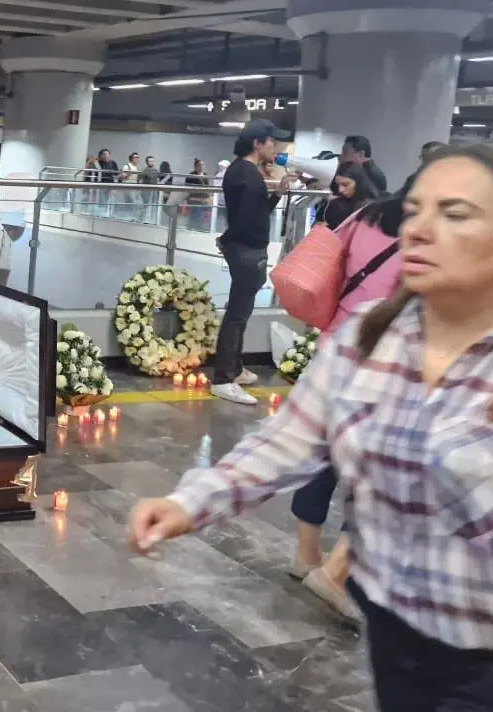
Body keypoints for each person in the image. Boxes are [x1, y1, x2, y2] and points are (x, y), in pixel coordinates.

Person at [129, 145, 493, 712]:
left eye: (455, 214)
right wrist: (191, 502)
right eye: (416, 209)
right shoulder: (369, 338)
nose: (419, 229)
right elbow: (290, 441)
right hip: (396, 636)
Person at [288, 174, 409, 620]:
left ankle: (306, 556)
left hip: (334, 347)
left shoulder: (366, 214)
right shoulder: (432, 240)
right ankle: (335, 572)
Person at [211, 119, 290, 405]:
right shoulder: (244, 174)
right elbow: (244, 219)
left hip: (247, 248)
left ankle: (234, 367)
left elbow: (257, 213)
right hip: (245, 249)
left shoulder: (247, 172)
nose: (276, 148)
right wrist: (227, 238)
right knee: (237, 314)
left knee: (241, 313)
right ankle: (223, 378)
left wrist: (278, 193)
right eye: (272, 142)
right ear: (257, 144)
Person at [321, 161, 380, 230]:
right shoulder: (337, 203)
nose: (340, 190)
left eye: (345, 185)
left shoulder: (371, 206)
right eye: (338, 185)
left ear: (358, 183)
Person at [185, 158, 212, 231]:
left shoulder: (205, 175)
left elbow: (207, 187)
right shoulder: (191, 175)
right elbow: (188, 188)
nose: (202, 167)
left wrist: (208, 197)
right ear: (196, 166)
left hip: (203, 198)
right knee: (197, 209)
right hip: (194, 198)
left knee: (201, 210)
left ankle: (195, 225)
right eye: (200, 165)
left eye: (203, 165)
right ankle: (193, 226)